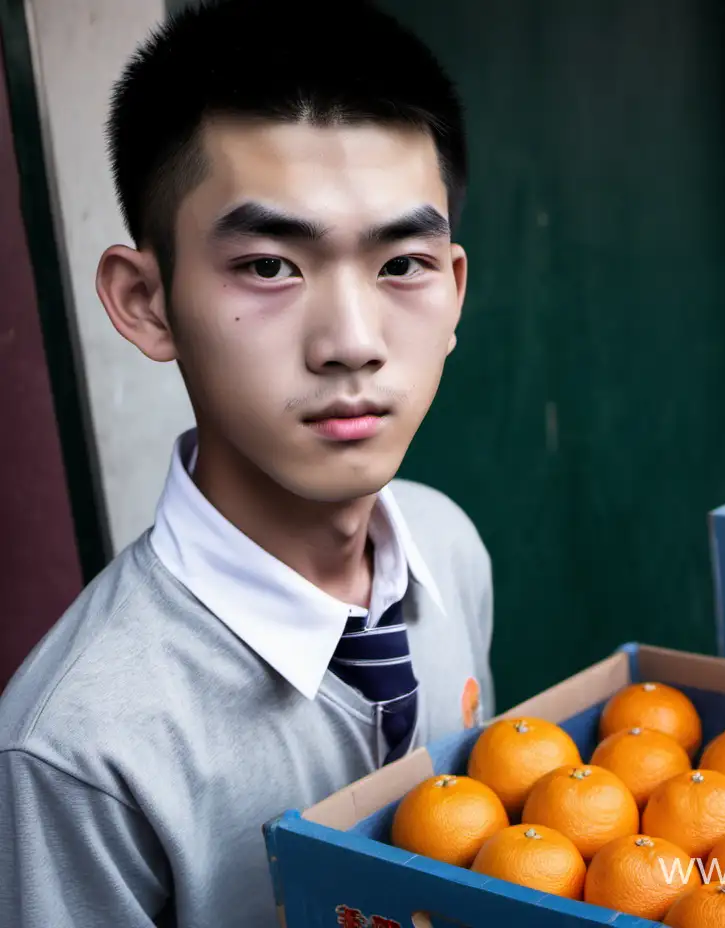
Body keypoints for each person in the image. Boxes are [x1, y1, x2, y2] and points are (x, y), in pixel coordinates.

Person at [0, 1, 494, 924]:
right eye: (270, 267)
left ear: (454, 288)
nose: (352, 342)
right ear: (145, 301)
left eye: (401, 265)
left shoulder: (447, 545)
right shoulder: (78, 749)